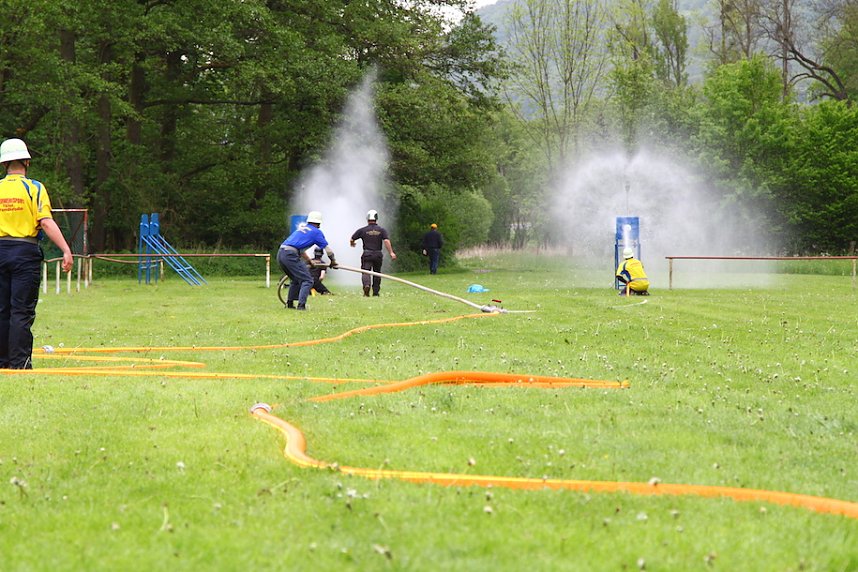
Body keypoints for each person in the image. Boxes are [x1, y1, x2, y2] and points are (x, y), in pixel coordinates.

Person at [0, 138, 73, 369]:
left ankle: (2, 362)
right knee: (21, 311)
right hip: (25, 252)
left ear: (4, 164)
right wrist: (65, 249)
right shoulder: (35, 188)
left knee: (2, 309)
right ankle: (20, 363)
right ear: (27, 162)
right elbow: (46, 222)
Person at [277, 211, 337, 310]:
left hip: (281, 253)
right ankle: (301, 306)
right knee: (307, 280)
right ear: (319, 223)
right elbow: (328, 250)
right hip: (290, 255)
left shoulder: (301, 229)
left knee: (296, 279)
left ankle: (290, 304)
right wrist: (333, 261)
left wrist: (310, 262)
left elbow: (300, 250)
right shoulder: (316, 232)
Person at [350, 209, 396, 296]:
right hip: (378, 254)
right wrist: (391, 252)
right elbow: (386, 241)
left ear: (367, 218)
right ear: (376, 218)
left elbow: (352, 239)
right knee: (377, 273)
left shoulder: (362, 230)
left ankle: (366, 285)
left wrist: (352, 244)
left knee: (366, 272)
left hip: (367, 254)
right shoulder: (382, 230)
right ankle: (375, 292)